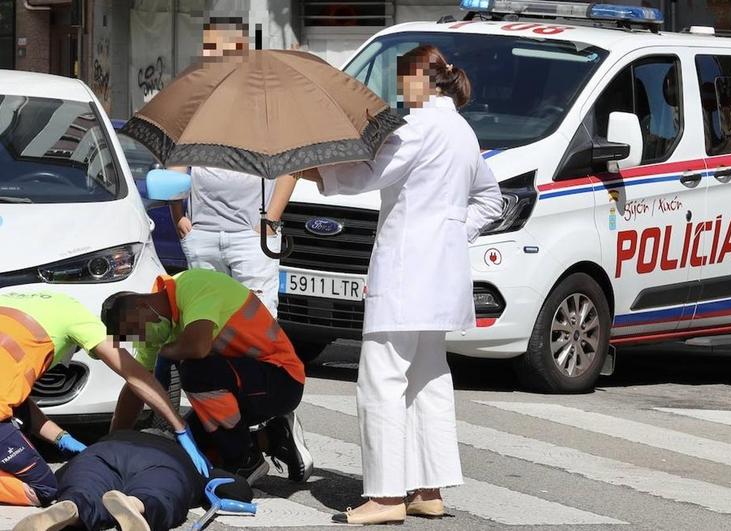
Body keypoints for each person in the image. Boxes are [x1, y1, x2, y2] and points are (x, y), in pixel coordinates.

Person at [299, 45, 503, 524]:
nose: (395, 92)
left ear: (420, 80)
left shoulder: (419, 125)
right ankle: (427, 490)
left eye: (400, 82)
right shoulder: (461, 129)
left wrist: (309, 170)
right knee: (427, 378)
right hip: (442, 273)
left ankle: (387, 497)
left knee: (382, 379)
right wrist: (454, 229)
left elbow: (369, 174)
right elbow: (490, 199)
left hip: (407, 270)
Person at [101, 269, 313, 485]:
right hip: (244, 383)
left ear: (142, 307)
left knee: (196, 371)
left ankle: (244, 460)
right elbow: (138, 383)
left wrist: (164, 351)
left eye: (139, 333)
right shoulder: (152, 321)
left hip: (281, 380)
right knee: (190, 444)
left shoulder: (195, 285)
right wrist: (112, 441)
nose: (144, 341)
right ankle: (274, 438)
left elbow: (198, 347)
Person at [0, 292, 208, 508]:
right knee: (44, 490)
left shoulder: (11, 300)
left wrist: (61, 437)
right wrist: (180, 426)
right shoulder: (77, 317)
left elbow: (18, 404)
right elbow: (135, 375)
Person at [171, 15, 297, 317]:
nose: (214, 57)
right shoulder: (194, 102)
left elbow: (292, 166)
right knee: (205, 323)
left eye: (222, 50)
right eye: (209, 50)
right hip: (204, 234)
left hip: (250, 236)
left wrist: (270, 222)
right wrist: (177, 216)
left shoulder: (268, 104)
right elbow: (176, 160)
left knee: (256, 323)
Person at [12, 429, 253, 531]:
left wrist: (67, 485)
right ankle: (136, 505)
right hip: (164, 461)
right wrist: (211, 474)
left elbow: (58, 478)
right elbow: (238, 489)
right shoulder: (183, 453)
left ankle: (73, 506)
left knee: (85, 485)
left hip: (103, 450)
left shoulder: (118, 433)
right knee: (158, 492)